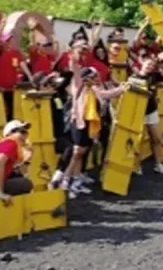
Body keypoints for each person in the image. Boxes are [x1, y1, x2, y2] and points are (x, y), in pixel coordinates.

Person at [51, 46, 127, 198]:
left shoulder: (94, 89)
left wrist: (122, 88)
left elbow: (107, 94)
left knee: (82, 152)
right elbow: (75, 68)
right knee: (77, 151)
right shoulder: (79, 86)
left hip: (89, 124)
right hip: (79, 122)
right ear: (86, 79)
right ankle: (65, 179)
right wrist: (74, 53)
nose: (97, 79)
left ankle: (76, 180)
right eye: (93, 77)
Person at [129, 57, 163, 175]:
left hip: (151, 110)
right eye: (148, 64)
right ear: (142, 63)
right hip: (138, 111)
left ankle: (158, 164)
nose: (150, 67)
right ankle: (137, 164)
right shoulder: (133, 78)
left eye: (152, 65)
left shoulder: (154, 76)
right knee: (138, 140)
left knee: (157, 138)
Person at [0, 33, 31, 119]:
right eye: (7, 40)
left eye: (10, 40)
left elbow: (21, 64)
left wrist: (30, 76)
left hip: (11, 88)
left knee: (11, 111)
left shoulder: (15, 53)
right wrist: (1, 27)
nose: (10, 42)